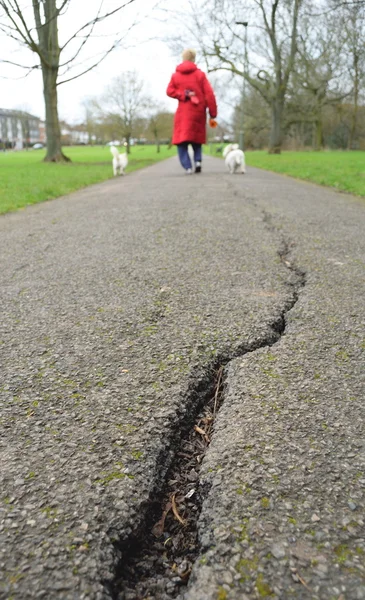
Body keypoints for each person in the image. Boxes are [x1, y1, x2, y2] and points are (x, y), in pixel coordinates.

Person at [166, 48, 217, 174]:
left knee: (181, 141)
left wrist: (182, 94)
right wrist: (213, 113)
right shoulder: (200, 75)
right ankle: (198, 161)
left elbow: (169, 91)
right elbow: (209, 94)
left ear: (183, 58)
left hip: (183, 112)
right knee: (196, 139)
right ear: (194, 59)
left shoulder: (176, 76)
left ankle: (188, 167)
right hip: (198, 111)